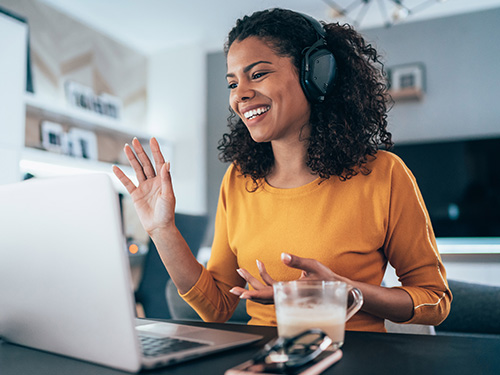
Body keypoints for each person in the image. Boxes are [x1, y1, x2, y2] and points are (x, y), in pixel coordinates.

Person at [113, 8, 451, 332]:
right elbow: (216, 308)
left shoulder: (384, 174)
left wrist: (345, 290)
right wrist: (162, 230)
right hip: (264, 359)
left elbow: (435, 301)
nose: (240, 95)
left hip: (352, 356)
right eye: (232, 83)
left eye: (257, 74)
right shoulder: (240, 179)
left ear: (317, 74)